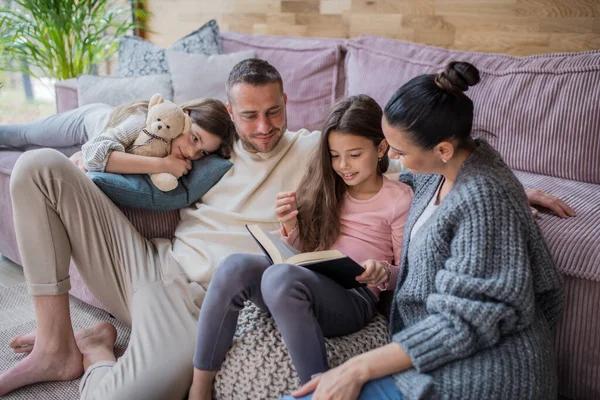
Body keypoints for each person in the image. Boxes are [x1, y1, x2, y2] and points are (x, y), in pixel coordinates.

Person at [0, 59, 572, 399]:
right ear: (226, 111)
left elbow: (412, 166)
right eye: (248, 115)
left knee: (128, 394)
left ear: (287, 103)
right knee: (37, 166)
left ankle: (96, 351)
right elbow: (114, 139)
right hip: (147, 265)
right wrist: (118, 162)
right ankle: (55, 345)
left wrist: (514, 189)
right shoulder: (201, 147)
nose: (264, 126)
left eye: (273, 111)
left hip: (198, 305)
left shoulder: (315, 151)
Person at [285, 62, 565, 400]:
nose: (396, 161)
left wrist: (356, 367)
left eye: (400, 152)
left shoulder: (484, 199)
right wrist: (520, 191)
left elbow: (466, 320)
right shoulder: (438, 170)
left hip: (485, 370)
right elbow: (401, 182)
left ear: (443, 149)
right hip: (432, 352)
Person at [188, 95, 413, 399]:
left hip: (353, 298)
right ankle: (199, 389)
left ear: (381, 148)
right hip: (308, 282)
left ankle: (316, 391)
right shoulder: (327, 185)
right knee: (234, 266)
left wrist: (382, 272)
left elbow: (408, 273)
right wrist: (292, 226)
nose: (343, 166)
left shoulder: (399, 198)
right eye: (334, 155)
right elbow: (310, 249)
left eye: (355, 154)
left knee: (279, 277)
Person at [1, 98, 235, 178]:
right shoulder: (144, 120)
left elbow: (92, 155)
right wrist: (162, 164)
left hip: (96, 141)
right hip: (87, 122)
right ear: (184, 118)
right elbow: (95, 155)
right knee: (23, 135)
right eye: (194, 139)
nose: (193, 154)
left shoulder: (181, 156)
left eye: (203, 152)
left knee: (31, 153)